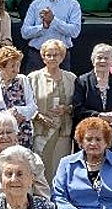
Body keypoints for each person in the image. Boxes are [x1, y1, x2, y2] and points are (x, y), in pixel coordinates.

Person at [73, 43, 112, 158]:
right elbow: (77, 109)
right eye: (99, 57)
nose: (102, 61)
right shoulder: (82, 82)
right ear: (93, 60)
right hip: (89, 137)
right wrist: (100, 116)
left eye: (106, 58)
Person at [28, 39, 76, 182]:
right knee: (41, 169)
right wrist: (38, 116)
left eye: (56, 55)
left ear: (62, 57)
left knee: (60, 169)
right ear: (43, 57)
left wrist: (66, 109)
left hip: (63, 133)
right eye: (48, 55)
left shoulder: (71, 78)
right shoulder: (33, 78)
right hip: (40, 131)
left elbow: (78, 104)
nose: (52, 58)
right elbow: (26, 104)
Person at [20, 0, 82, 73]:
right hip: (37, 57)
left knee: (62, 84)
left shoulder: (73, 5)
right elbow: (24, 33)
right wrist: (43, 27)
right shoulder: (36, 4)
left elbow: (75, 32)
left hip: (61, 57)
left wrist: (53, 20)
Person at [0, 45, 37, 148]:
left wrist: (18, 111)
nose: (17, 70)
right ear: (1, 67)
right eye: (12, 66)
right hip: (0, 138)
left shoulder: (23, 80)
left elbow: (32, 107)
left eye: (18, 65)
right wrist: (7, 116)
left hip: (22, 136)